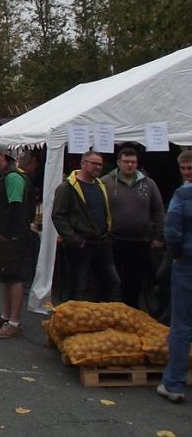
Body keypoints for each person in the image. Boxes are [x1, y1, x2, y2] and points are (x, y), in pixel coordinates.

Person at [51, 151, 121, 302]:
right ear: (83, 164)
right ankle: (74, 320)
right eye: (93, 163)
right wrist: (74, 240)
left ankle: (103, 316)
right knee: (78, 286)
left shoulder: (100, 185)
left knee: (111, 281)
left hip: (102, 241)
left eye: (100, 164)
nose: (97, 167)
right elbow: (58, 215)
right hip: (81, 244)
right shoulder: (68, 187)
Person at [0, 145, 35, 339]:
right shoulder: (2, 175)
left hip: (13, 236)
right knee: (6, 276)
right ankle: (5, 316)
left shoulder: (13, 177)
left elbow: (15, 206)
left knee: (14, 277)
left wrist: (8, 233)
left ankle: (14, 322)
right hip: (4, 234)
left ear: (3, 156)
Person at [102, 147, 165, 309]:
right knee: (112, 280)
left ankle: (131, 314)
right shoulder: (106, 182)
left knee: (134, 282)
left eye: (133, 162)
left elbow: (158, 210)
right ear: (118, 162)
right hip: (113, 240)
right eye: (126, 162)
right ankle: (111, 313)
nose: (130, 165)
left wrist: (158, 236)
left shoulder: (149, 184)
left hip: (140, 240)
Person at [157, 150, 192, 403]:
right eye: (184, 168)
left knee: (181, 325)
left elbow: (172, 232)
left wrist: (177, 254)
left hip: (186, 263)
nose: (187, 173)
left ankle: (173, 383)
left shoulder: (182, 195)